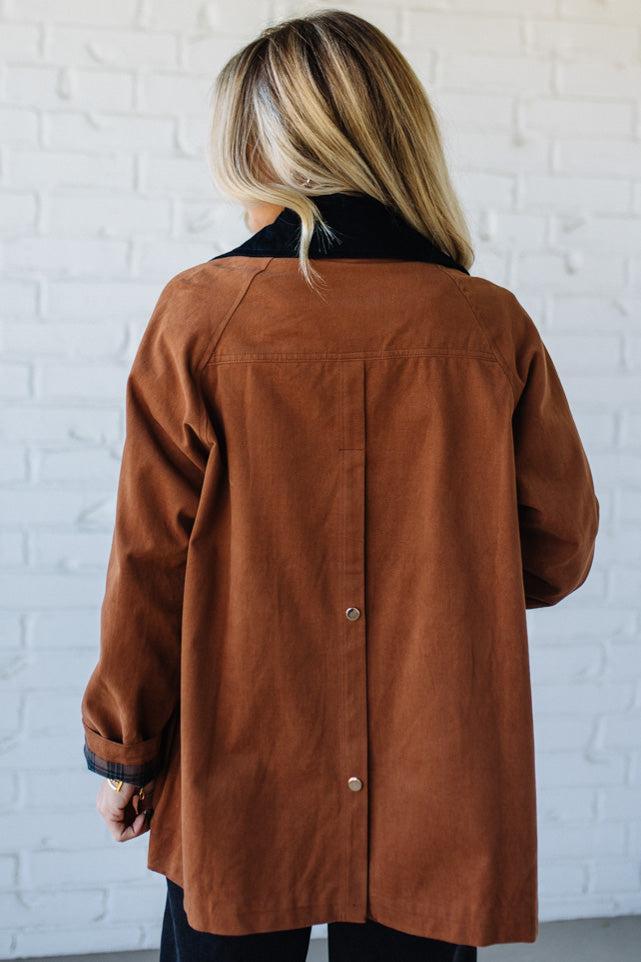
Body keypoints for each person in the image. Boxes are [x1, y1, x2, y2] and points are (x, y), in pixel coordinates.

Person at [80, 9, 599, 962]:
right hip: (435, 765)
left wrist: (125, 751)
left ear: (256, 146)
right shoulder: (489, 326)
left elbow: (149, 561)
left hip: (241, 766)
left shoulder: (199, 318)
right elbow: (558, 550)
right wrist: (450, 571)